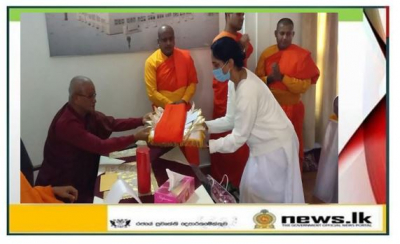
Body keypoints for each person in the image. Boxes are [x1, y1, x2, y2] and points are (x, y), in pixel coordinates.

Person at [206, 37, 304, 203]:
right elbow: (230, 120)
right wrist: (204, 126)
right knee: (249, 191)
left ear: (229, 63)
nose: (213, 69)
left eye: (216, 65)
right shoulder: (233, 81)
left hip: (275, 145)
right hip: (261, 145)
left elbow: (238, 138)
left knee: (266, 197)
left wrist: (208, 145)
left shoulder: (247, 90)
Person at [36, 76, 150, 203]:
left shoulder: (85, 112)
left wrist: (141, 120)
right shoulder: (67, 124)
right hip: (65, 186)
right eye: (90, 96)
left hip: (86, 173)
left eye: (94, 95)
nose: (94, 100)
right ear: (76, 98)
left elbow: (111, 123)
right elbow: (100, 146)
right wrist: (134, 137)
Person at [255, 18, 320, 172]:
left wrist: (282, 78)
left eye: (288, 34)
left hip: (293, 109)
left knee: (291, 144)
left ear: (293, 34)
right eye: (281, 33)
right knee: (272, 145)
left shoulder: (301, 56)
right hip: (271, 108)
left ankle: (292, 177)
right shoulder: (267, 54)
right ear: (275, 34)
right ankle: (272, 177)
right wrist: (270, 79)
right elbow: (257, 82)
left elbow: (303, 87)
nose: (284, 37)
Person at [144, 25, 199, 165]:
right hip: (163, 112)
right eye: (164, 40)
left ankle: (196, 181)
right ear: (158, 42)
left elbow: (193, 82)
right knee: (166, 152)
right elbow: (151, 93)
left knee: (191, 148)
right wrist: (170, 106)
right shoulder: (151, 62)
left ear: (174, 39)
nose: (168, 43)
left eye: (171, 39)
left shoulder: (185, 57)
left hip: (185, 108)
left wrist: (183, 100)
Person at [209, 13, 254, 188]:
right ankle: (223, 187)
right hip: (226, 102)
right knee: (226, 156)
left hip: (240, 99)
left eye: (243, 15)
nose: (242, 18)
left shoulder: (248, 85)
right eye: (238, 14)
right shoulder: (222, 42)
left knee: (238, 149)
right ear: (228, 15)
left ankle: (236, 186)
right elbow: (222, 79)